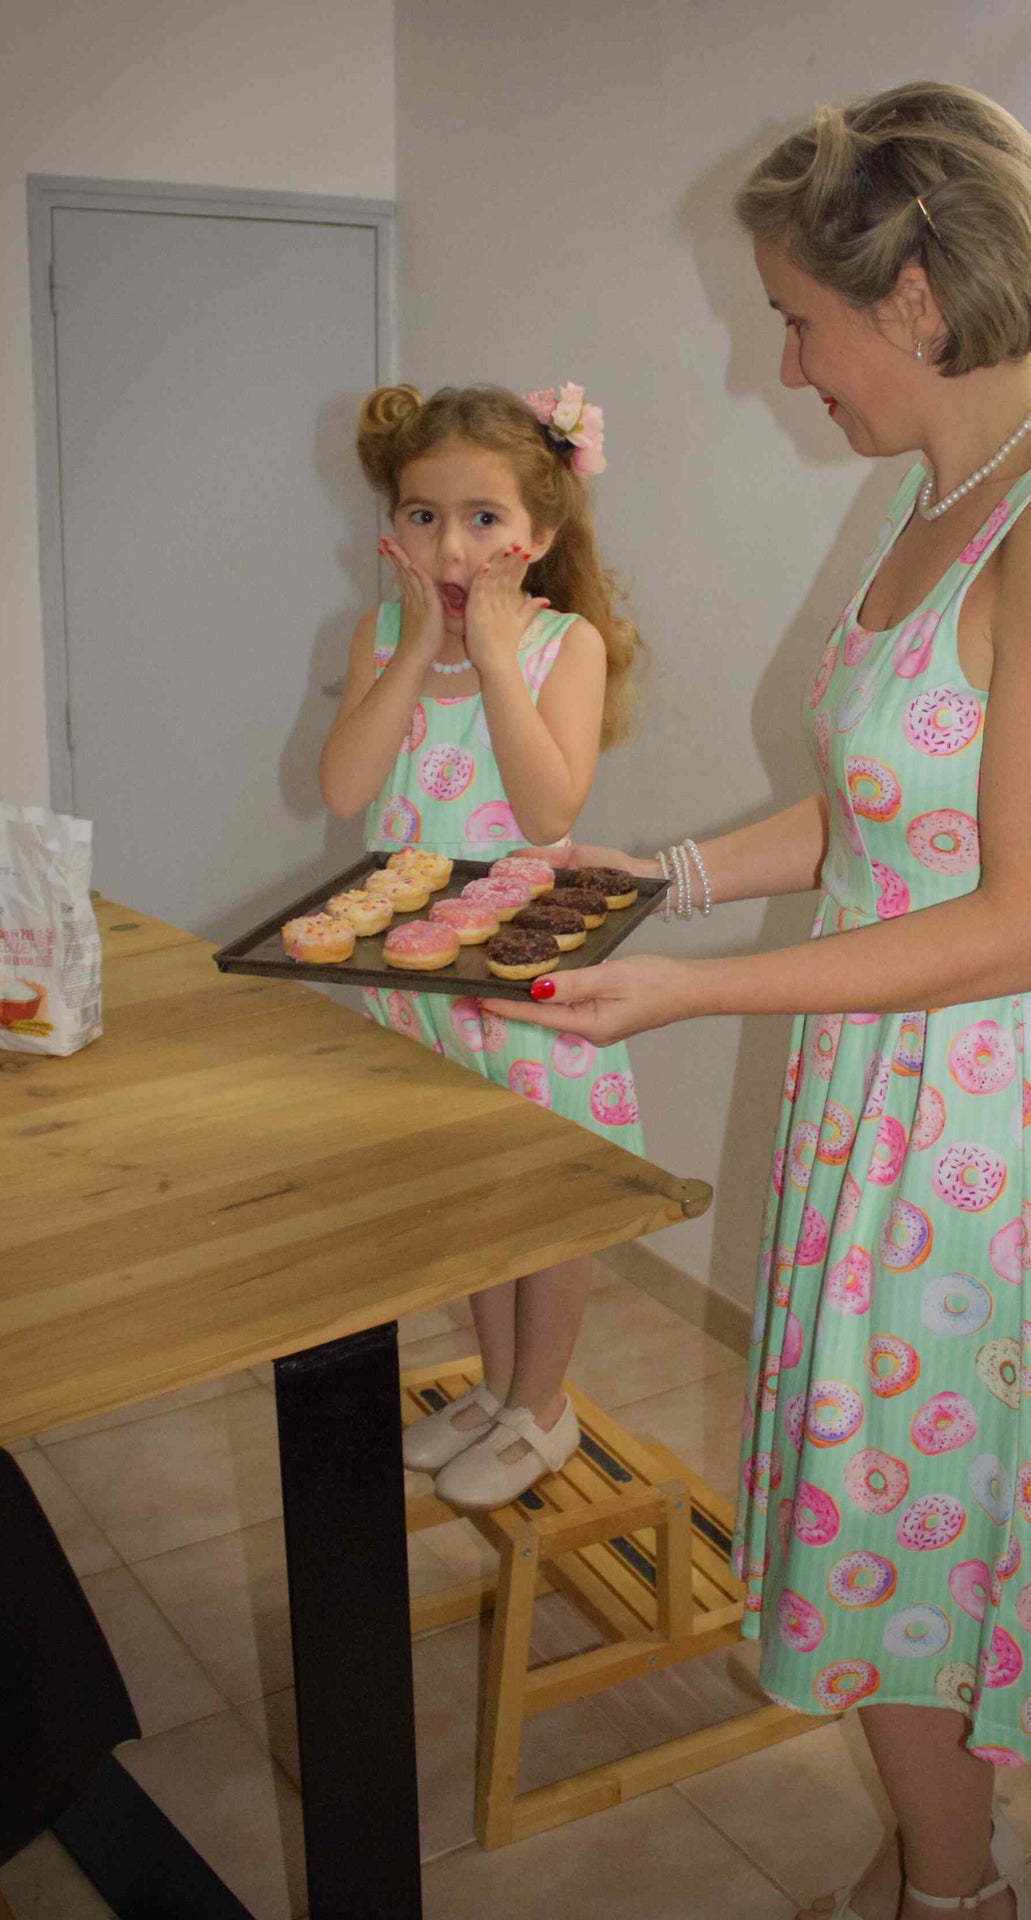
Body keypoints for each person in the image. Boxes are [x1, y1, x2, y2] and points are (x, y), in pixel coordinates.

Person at [504, 81, 1031, 1920]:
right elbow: (891, 804)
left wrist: (684, 992)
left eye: (803, 321)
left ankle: (962, 1912)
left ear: (914, 295)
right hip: (905, 1091)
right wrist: (681, 870)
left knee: (904, 1533)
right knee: (880, 1513)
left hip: (1001, 1108)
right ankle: (936, 1867)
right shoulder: (940, 494)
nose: (784, 363)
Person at [320, 380, 643, 1511]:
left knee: (542, 1203)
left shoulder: (566, 646)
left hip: (523, 989)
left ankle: (542, 1407)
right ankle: (499, 1385)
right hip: (416, 989)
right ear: (391, 526)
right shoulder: (379, 636)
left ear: (540, 535)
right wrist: (415, 649)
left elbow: (548, 811)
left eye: (483, 518)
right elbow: (344, 783)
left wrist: (495, 657)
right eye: (421, 514)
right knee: (469, 1194)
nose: (450, 547)